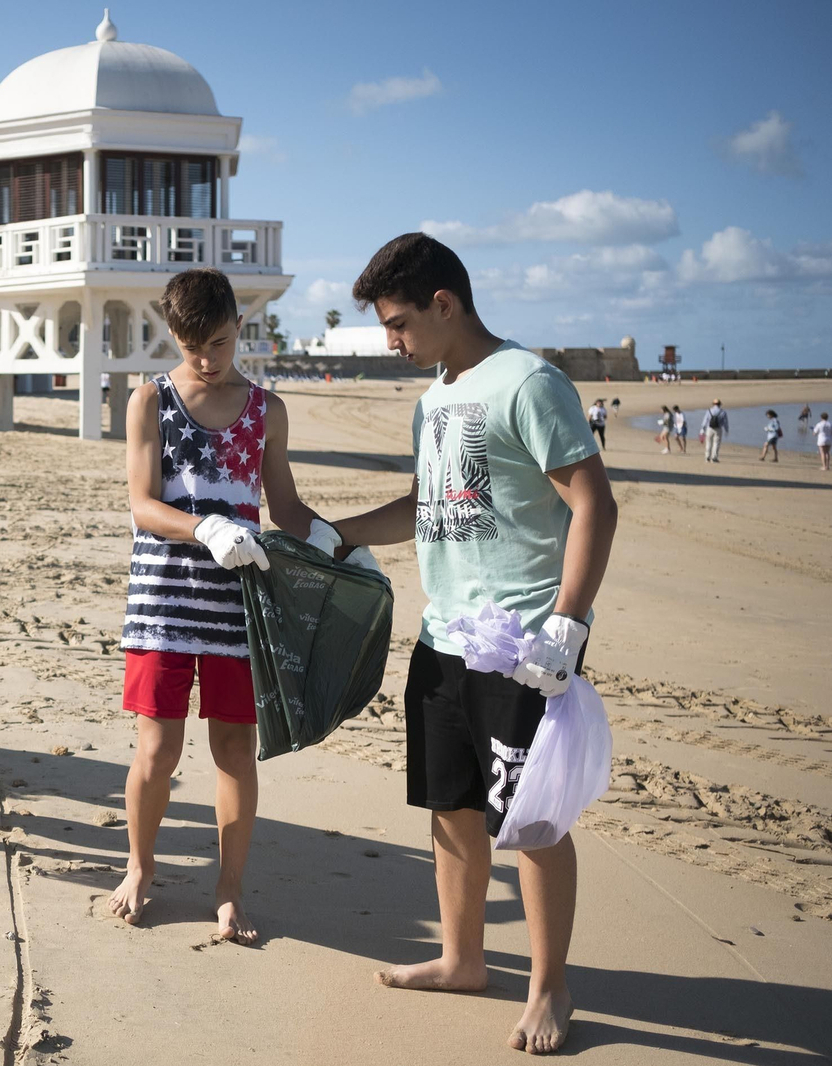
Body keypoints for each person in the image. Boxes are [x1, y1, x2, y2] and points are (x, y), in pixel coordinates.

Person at [331, 234, 618, 1055]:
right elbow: (428, 504)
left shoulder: (528, 382)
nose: (392, 340)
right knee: (451, 805)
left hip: (523, 643)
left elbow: (594, 505)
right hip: (445, 634)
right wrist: (342, 534)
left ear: (444, 305)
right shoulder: (435, 395)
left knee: (530, 821)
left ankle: (550, 984)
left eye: (397, 323)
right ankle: (463, 958)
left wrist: (568, 621)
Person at [110, 267, 337, 947]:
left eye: (216, 342)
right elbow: (142, 503)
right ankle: (140, 867)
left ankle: (229, 893)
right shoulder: (149, 401)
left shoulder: (268, 410)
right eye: (190, 347)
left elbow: (286, 507)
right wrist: (203, 524)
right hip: (163, 598)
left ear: (240, 324)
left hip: (239, 602)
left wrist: (335, 545)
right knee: (158, 745)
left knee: (236, 748)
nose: (206, 360)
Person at [703, 398, 728, 463]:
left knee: (708, 443)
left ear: (713, 404)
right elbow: (725, 422)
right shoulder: (723, 412)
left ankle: (707, 457)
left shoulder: (709, 411)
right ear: (719, 404)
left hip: (709, 428)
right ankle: (714, 457)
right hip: (718, 429)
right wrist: (726, 430)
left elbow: (705, 420)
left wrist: (702, 429)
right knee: (716, 443)